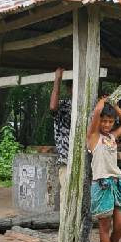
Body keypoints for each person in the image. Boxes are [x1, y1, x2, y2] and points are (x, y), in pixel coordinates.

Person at [87, 96, 121, 242]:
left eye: (110, 121)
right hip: (101, 186)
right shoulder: (93, 137)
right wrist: (102, 102)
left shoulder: (112, 137)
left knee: (120, 225)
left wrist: (115, 107)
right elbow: (96, 114)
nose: (106, 124)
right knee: (104, 227)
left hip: (115, 184)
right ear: (98, 121)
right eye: (104, 121)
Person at [50, 68, 72, 205]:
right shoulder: (64, 105)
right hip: (66, 161)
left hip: (85, 162)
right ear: (69, 89)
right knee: (67, 200)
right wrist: (57, 79)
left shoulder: (90, 107)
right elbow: (53, 107)